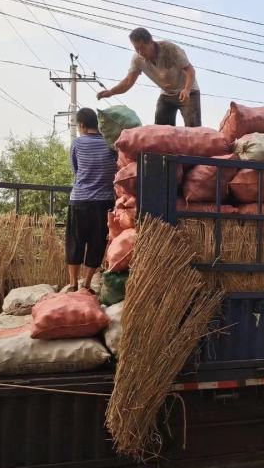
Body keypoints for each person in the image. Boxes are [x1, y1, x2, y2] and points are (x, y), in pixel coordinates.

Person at [97, 27, 201, 127]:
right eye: (136, 49)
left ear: (151, 41)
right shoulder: (138, 59)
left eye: (143, 48)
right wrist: (111, 92)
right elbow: (128, 81)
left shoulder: (170, 49)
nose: (140, 52)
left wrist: (187, 90)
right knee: (160, 129)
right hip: (167, 94)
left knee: (193, 128)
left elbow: (190, 70)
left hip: (188, 92)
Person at [66, 107, 116, 293]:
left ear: (81, 125)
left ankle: (72, 284)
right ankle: (86, 285)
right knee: (97, 243)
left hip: (79, 200)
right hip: (104, 202)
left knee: (75, 242)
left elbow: (76, 170)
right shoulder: (110, 145)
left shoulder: (77, 144)